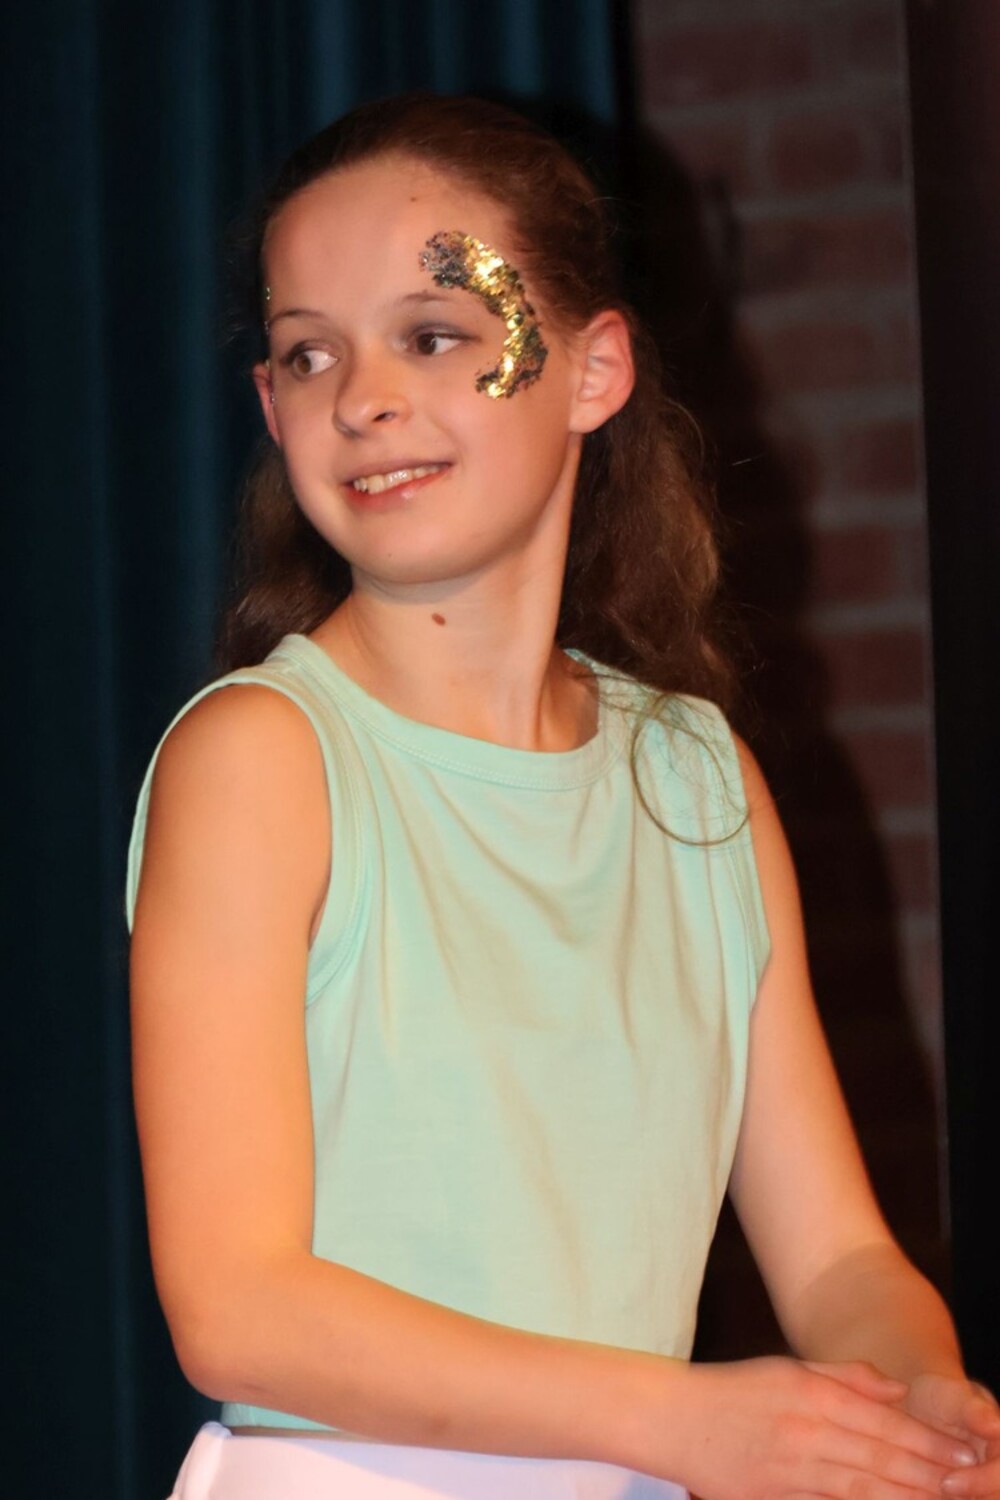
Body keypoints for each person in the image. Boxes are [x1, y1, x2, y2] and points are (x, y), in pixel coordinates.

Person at [125, 93, 999, 1500]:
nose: (362, 398)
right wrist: (682, 1420)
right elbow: (238, 1307)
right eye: (310, 353)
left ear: (593, 370)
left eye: (434, 335)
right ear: (271, 407)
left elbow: (841, 1260)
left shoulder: (693, 777)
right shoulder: (262, 759)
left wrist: (923, 1409)